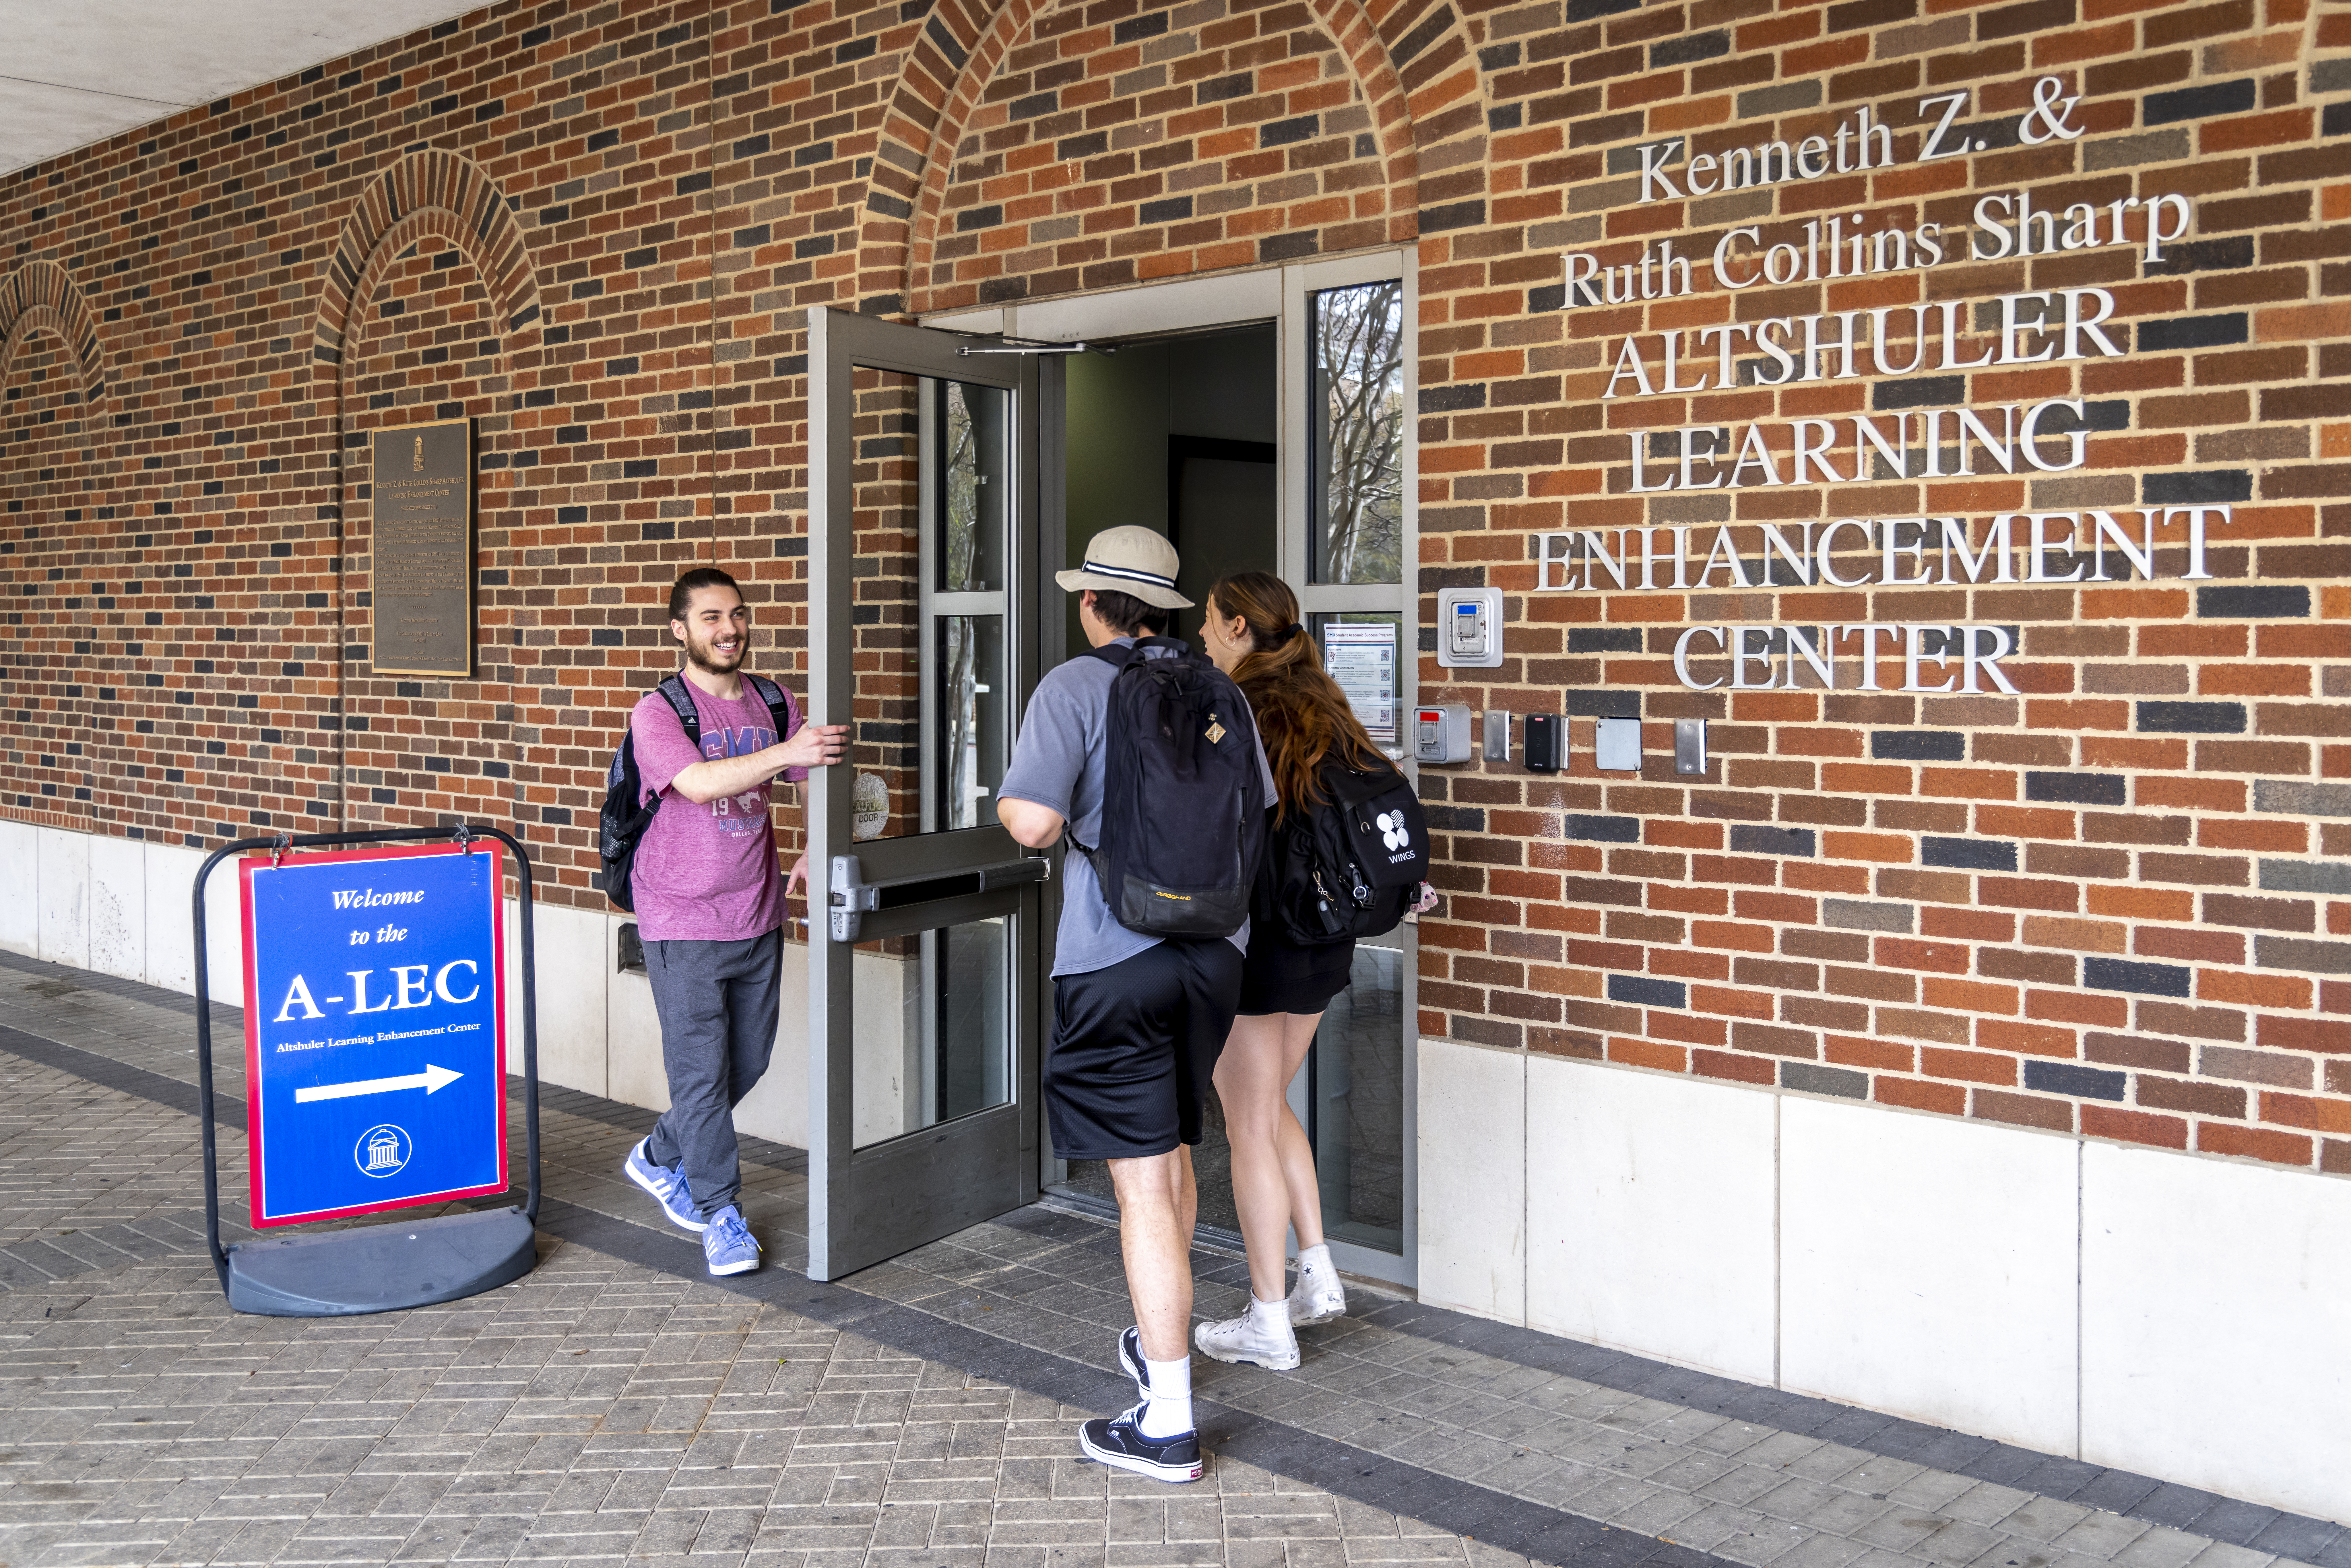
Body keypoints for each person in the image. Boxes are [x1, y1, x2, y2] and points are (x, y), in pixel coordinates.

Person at [996, 526, 1276, 1484]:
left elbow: (1032, 820)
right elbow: (1258, 815)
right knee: (1172, 1145)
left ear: (1091, 604)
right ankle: (1166, 1342)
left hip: (1113, 958)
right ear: (1162, 607)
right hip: (1215, 957)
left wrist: (1045, 809)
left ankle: (1166, 1420)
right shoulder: (1222, 690)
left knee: (1140, 1183)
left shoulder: (1073, 687)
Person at [1189, 572, 1423, 1371]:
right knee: (1270, 1104)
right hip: (1325, 940)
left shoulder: (1239, 712)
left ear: (1241, 631)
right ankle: (1316, 1271)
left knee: (1247, 1122)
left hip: (1261, 941)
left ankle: (1267, 1321)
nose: (1202, 638)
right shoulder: (1328, 707)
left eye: (1212, 625)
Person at [620, 566, 847, 1277]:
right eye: (712, 617)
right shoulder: (659, 711)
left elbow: (813, 777)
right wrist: (788, 753)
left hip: (756, 910)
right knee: (699, 1072)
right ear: (680, 630)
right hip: (681, 915)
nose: (729, 629)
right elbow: (697, 783)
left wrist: (815, 842)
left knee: (745, 1061)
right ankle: (721, 1213)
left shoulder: (774, 700)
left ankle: (658, 1152)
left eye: (738, 615)